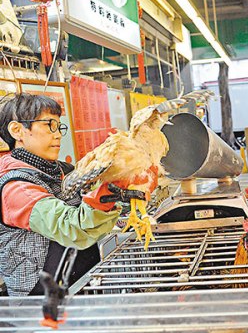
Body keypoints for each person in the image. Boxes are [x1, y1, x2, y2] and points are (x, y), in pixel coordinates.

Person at [0, 93, 144, 296]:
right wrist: (106, 194)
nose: (57, 134)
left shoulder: (63, 170)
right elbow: (72, 227)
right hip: (39, 302)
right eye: (49, 125)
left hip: (76, 284)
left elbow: (90, 211)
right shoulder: (16, 188)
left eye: (59, 126)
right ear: (17, 130)